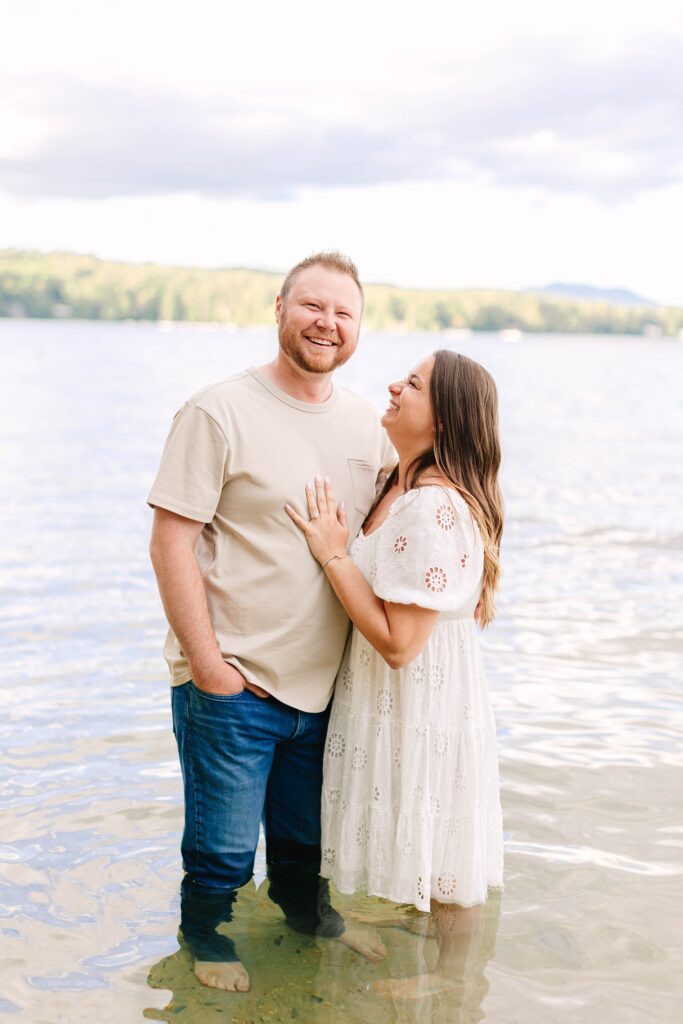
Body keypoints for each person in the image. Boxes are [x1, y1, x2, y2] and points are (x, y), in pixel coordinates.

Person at [147, 252, 393, 992]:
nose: (327, 323)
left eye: (342, 313)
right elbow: (170, 540)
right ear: (280, 308)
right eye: (312, 306)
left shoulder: (362, 423)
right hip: (235, 679)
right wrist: (210, 667)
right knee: (221, 849)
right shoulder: (217, 410)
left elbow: (398, 517)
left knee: (302, 843)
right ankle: (206, 937)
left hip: (326, 687)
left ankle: (307, 919)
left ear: (357, 328)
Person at [286, 348, 504, 998]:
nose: (392, 385)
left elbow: (399, 644)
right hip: (403, 695)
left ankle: (448, 980)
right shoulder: (399, 486)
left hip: (421, 695)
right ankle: (427, 945)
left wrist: (331, 555)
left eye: (412, 384)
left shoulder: (430, 507)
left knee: (443, 833)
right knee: (429, 822)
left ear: (445, 419)